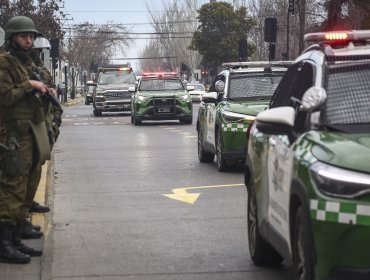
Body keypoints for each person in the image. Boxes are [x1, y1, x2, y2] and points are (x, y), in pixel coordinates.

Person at [0, 16, 52, 263]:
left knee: (27, 179)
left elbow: (42, 81)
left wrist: (43, 86)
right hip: (12, 132)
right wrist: (28, 84)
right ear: (12, 38)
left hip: (29, 129)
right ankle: (4, 243)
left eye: (31, 36)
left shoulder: (27, 62)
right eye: (23, 36)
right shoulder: (4, 63)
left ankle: (16, 232)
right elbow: (4, 95)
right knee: (13, 185)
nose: (29, 40)